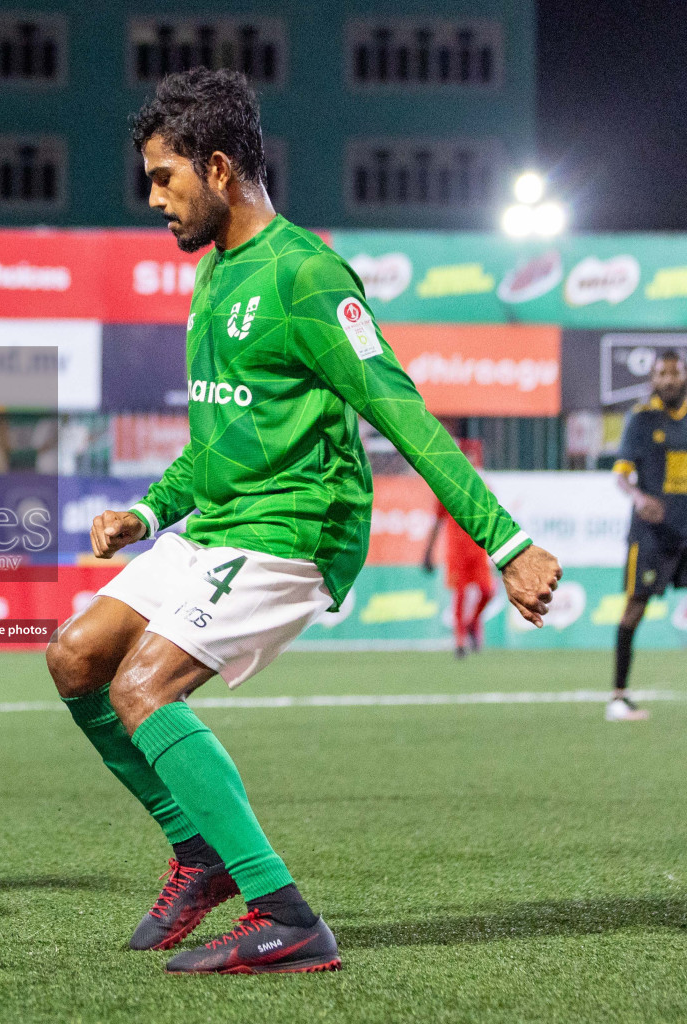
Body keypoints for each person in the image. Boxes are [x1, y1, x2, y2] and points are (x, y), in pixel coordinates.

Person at [44, 69, 562, 976]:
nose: (153, 199)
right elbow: (217, 443)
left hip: (297, 525)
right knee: (77, 659)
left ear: (217, 167)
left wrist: (507, 543)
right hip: (222, 520)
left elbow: (402, 411)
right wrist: (149, 510)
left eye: (164, 178)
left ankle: (287, 918)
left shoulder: (306, 274)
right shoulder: (214, 278)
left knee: (143, 691)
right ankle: (198, 853)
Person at [607, 350, 687, 722]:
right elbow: (621, 474)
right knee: (635, 607)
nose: (669, 379)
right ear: (653, 379)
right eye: (662, 374)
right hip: (652, 533)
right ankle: (618, 697)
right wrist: (638, 498)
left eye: (675, 373)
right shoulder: (641, 419)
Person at [421, 439, 496, 657]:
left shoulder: (483, 489)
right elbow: (437, 522)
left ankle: (472, 622)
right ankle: (460, 641)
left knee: (487, 591)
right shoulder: (446, 489)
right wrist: (428, 553)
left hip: (478, 550)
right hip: (457, 551)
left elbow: (492, 520)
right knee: (460, 595)